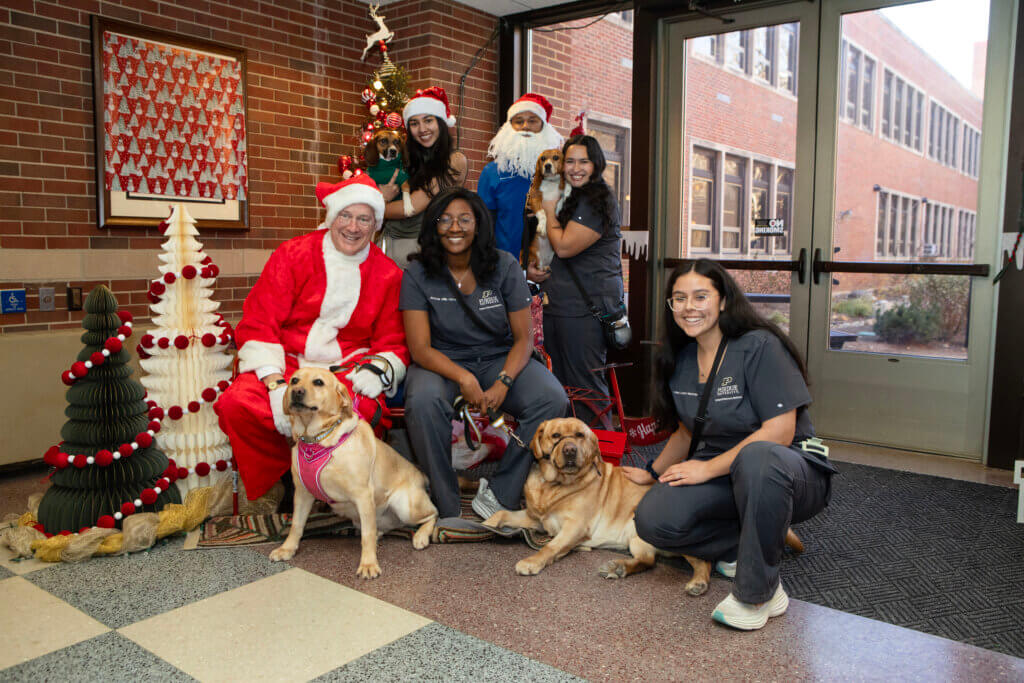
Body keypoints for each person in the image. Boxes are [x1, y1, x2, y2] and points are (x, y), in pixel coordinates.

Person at [623, 259, 837, 631]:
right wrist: (651, 472)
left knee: (758, 458)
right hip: (726, 472)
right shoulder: (680, 357)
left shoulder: (759, 346)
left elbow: (780, 432)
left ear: (723, 300)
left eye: (701, 296)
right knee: (653, 521)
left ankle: (757, 594)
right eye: (679, 298)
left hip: (788, 469)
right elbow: (687, 432)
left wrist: (704, 468)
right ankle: (755, 538)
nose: (689, 306)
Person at [215, 173, 410, 501]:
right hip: (284, 362)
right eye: (345, 216)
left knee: (360, 409)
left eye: (364, 219)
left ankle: (342, 489)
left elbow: (392, 341)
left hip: (347, 369)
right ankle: (286, 481)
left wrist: (378, 368)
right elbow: (260, 322)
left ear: (375, 225)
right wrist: (277, 386)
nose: (353, 227)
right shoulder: (292, 254)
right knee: (238, 404)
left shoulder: (389, 274)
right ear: (332, 217)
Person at [400, 188, 568, 526]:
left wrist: (504, 381)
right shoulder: (417, 273)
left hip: (498, 357)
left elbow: (524, 339)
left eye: (464, 219)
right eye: (444, 220)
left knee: (552, 399)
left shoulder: (503, 265)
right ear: (433, 226)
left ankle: (501, 491)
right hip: (441, 360)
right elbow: (420, 348)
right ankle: (443, 504)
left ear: (478, 225)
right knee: (422, 402)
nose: (454, 227)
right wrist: (464, 378)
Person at [533, 134, 623, 427]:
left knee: (586, 388)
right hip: (560, 303)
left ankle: (601, 463)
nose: (575, 168)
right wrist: (534, 270)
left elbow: (565, 246)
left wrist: (547, 208)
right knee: (561, 387)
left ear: (597, 164)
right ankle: (569, 461)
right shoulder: (572, 197)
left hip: (587, 307)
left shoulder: (598, 200)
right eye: (569, 161)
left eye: (583, 161)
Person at [378, 86, 468, 268]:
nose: (422, 129)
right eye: (414, 123)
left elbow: (411, 207)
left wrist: (373, 205)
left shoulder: (454, 160)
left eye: (428, 121)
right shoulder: (404, 159)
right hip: (388, 245)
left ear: (441, 123)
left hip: (425, 250)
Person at [477, 93, 564, 257]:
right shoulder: (492, 173)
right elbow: (483, 228)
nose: (525, 126)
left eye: (532, 120)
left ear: (543, 126)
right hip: (505, 268)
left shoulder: (562, 174)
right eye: (518, 121)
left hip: (551, 268)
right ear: (509, 127)